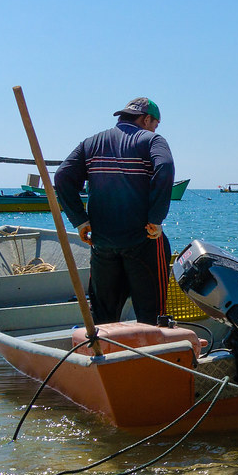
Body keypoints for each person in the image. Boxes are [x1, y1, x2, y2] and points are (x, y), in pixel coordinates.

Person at [54, 97, 176, 325]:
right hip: (144, 239)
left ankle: (107, 356)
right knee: (152, 314)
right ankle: (151, 355)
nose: (155, 128)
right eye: (155, 124)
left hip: (103, 243)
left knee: (103, 316)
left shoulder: (91, 143)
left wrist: (80, 220)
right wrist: (156, 218)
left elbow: (62, 176)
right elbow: (165, 167)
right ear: (146, 119)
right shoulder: (152, 141)